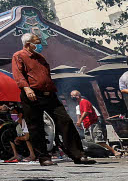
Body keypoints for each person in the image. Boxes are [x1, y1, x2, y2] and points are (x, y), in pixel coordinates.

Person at [12, 32, 93, 166]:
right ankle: (44, 157)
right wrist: (26, 88)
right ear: (28, 44)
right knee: (35, 126)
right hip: (32, 94)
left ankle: (79, 155)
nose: (39, 45)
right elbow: (18, 74)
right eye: (36, 43)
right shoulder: (19, 56)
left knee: (65, 121)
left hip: (49, 94)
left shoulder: (41, 58)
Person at [72, 90, 121, 157]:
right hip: (87, 125)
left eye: (73, 96)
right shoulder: (79, 104)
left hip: (93, 124)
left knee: (99, 141)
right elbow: (79, 114)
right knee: (89, 142)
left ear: (77, 96)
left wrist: (80, 121)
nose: (72, 97)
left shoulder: (84, 102)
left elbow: (86, 112)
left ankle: (114, 151)